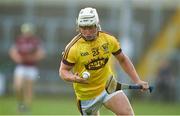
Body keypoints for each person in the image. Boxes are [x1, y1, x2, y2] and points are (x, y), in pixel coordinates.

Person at [59, 7, 149, 115]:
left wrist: (137, 80)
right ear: (78, 26)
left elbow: (123, 59)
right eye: (83, 28)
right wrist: (73, 77)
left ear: (97, 24)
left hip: (108, 86)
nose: (87, 32)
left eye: (90, 27)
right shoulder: (73, 48)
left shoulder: (108, 39)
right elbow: (63, 71)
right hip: (87, 96)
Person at [9, 23, 46, 113]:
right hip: (21, 67)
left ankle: (26, 108)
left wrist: (32, 58)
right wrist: (18, 58)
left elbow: (42, 53)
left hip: (31, 67)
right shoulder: (19, 40)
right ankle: (20, 103)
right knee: (18, 87)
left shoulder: (36, 41)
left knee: (29, 89)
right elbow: (12, 52)